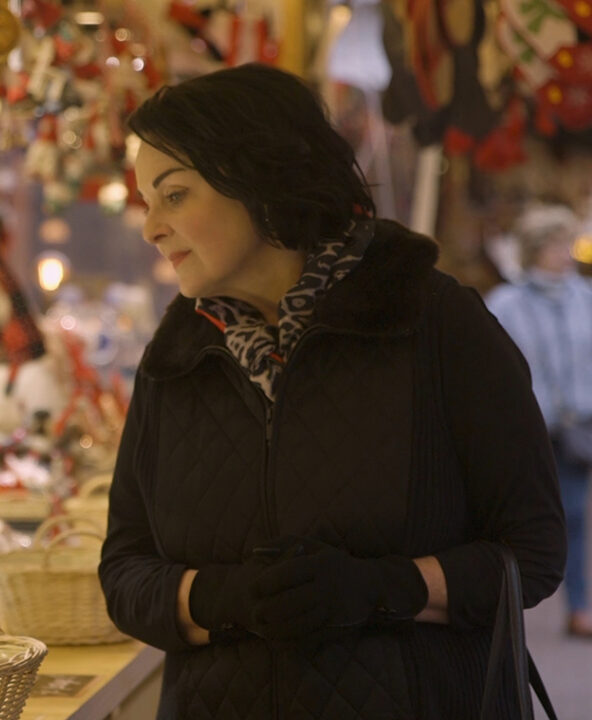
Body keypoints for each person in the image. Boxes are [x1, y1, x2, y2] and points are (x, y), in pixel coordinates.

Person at [98, 63, 566, 720]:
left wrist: (382, 588)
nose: (151, 226)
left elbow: (533, 553)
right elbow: (124, 570)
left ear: (260, 179)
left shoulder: (434, 323)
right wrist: (220, 599)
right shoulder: (177, 357)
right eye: (148, 200)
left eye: (173, 195)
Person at [486, 203, 592, 638]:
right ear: (533, 249)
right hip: (525, 428)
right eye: (553, 245)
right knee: (518, 517)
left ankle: (579, 606)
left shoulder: (585, 298)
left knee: (574, 515)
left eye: (566, 243)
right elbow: (491, 367)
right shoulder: (505, 303)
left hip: (577, 427)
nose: (563, 253)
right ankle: (505, 603)